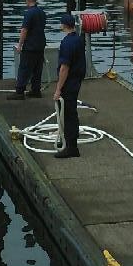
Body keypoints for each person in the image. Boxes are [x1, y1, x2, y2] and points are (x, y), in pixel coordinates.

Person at [52, 13, 86, 158]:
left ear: (64, 25)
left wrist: (58, 89)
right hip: (77, 80)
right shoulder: (78, 40)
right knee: (71, 112)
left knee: (67, 113)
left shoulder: (66, 43)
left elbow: (64, 68)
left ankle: (71, 147)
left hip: (69, 82)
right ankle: (68, 141)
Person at [7, 0, 47, 100]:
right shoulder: (41, 12)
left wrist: (20, 45)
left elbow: (24, 30)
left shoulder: (29, 13)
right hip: (40, 44)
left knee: (24, 68)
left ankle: (19, 92)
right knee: (37, 69)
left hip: (30, 46)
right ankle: (36, 90)